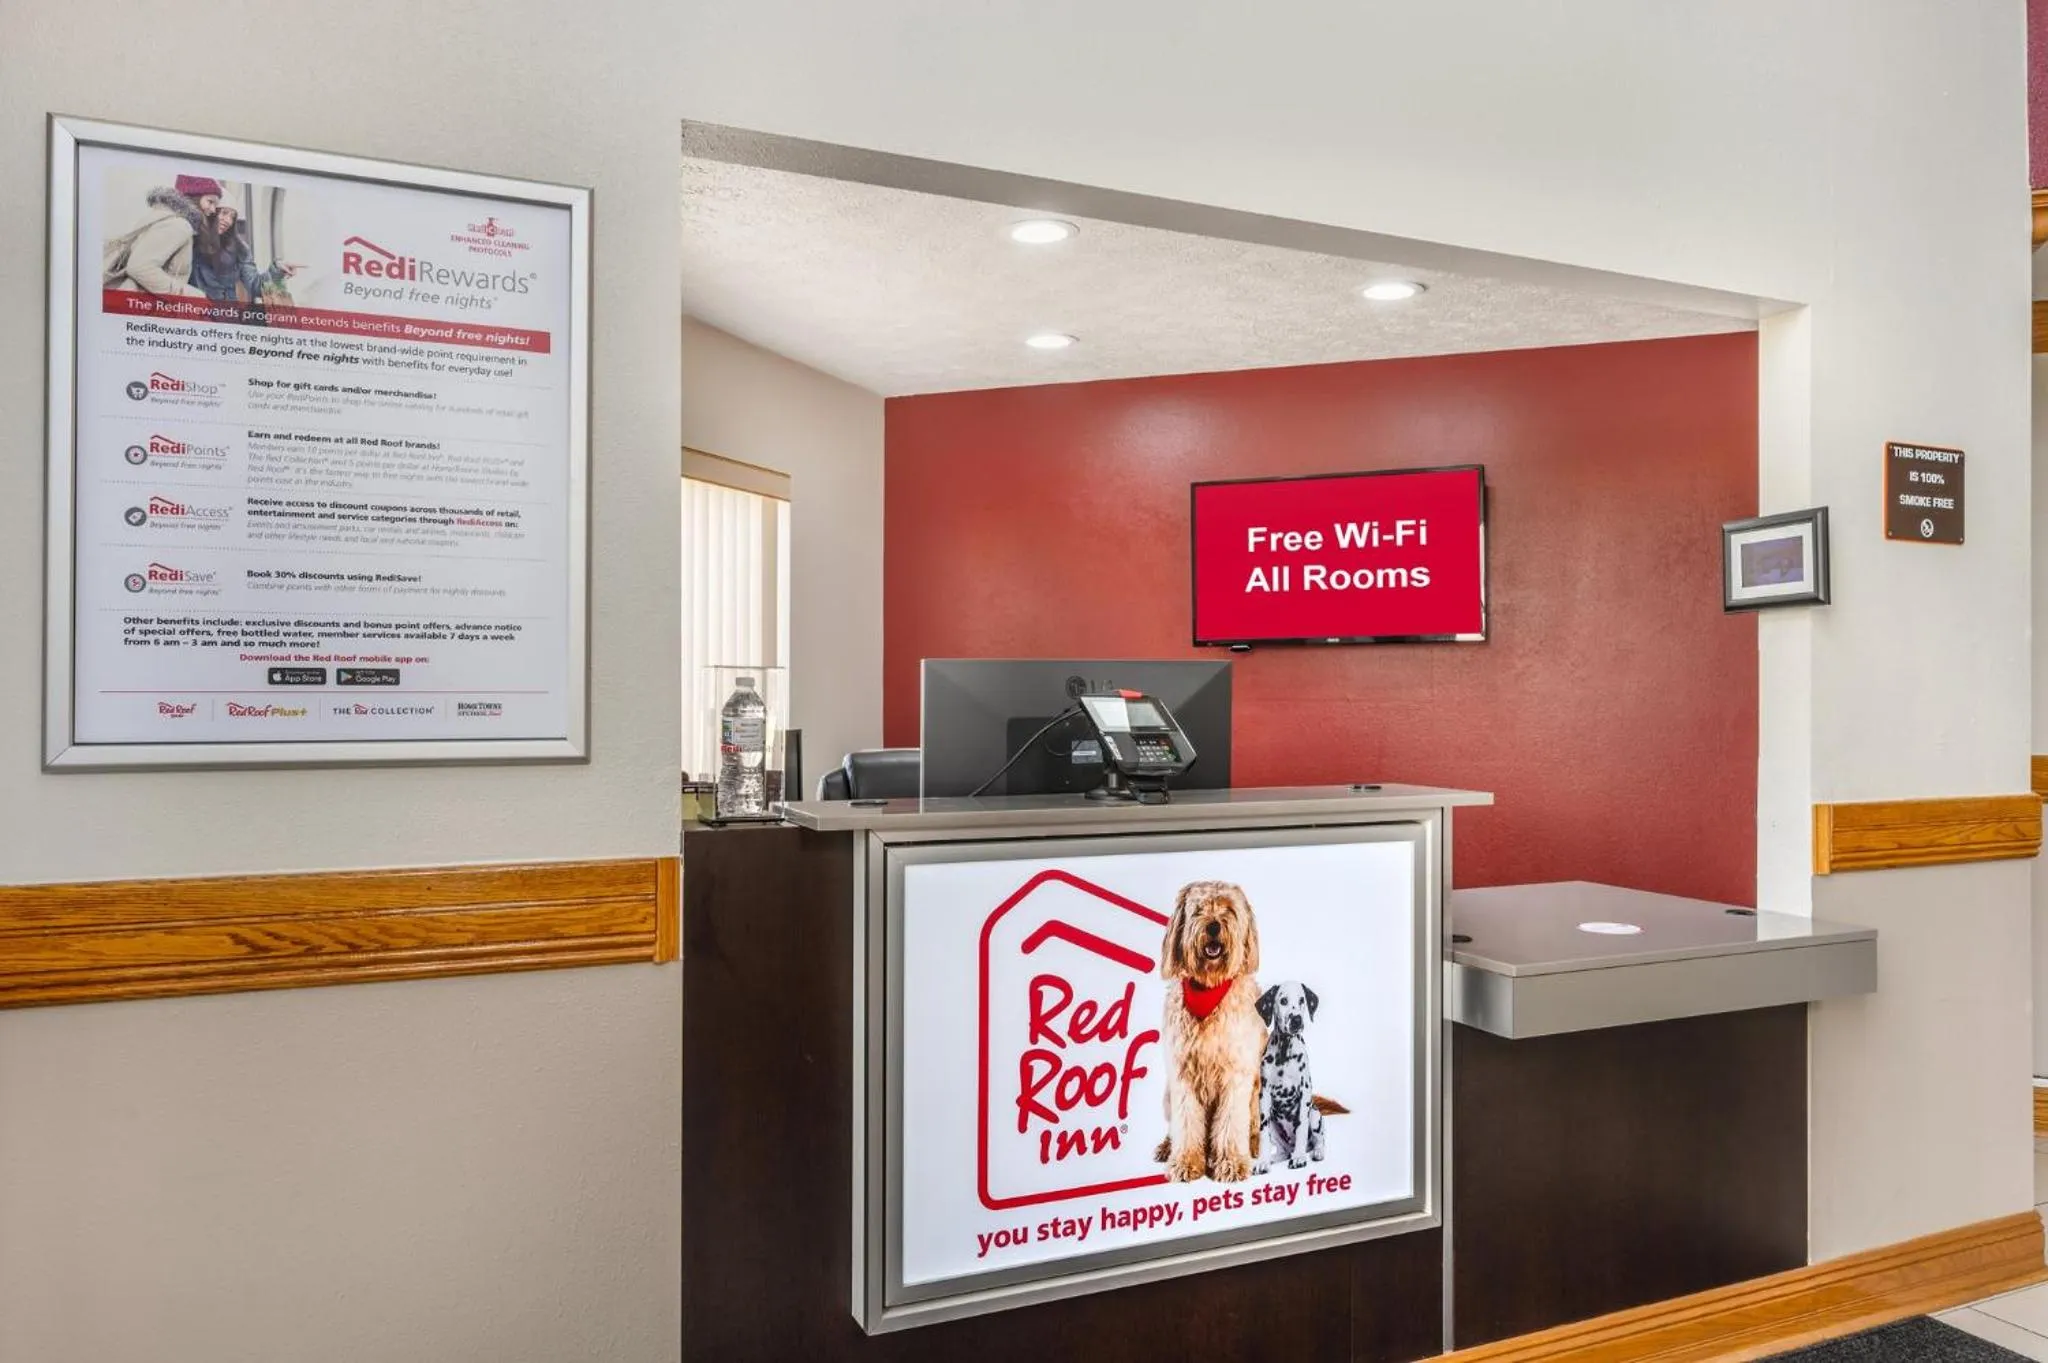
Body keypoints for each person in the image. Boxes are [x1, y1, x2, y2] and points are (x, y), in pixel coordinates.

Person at [102, 174, 222, 297]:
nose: (213, 210)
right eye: (210, 201)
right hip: (145, 304)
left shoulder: (162, 216)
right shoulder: (179, 225)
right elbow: (139, 267)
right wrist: (193, 296)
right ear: (194, 196)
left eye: (216, 205)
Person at [189, 203, 301, 305]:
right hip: (193, 315)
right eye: (224, 213)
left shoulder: (240, 249)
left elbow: (255, 285)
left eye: (232, 217)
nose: (228, 220)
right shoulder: (191, 240)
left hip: (227, 318)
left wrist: (277, 269)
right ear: (212, 212)